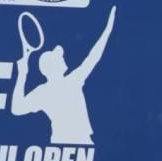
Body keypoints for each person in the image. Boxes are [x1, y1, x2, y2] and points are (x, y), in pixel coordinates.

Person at [12, 6, 116, 145]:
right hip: (77, 140)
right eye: (59, 58)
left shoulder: (43, 91)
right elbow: (93, 57)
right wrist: (107, 30)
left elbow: (17, 108)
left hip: (62, 141)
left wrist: (22, 74)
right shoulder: (72, 81)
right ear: (54, 66)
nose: (63, 58)